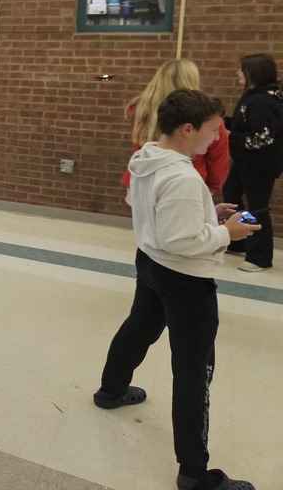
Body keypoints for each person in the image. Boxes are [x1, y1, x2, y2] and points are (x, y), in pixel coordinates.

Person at [93, 89, 259, 490]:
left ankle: (111, 390)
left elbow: (153, 212)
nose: (216, 139)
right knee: (193, 369)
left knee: (139, 326)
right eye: (212, 131)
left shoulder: (147, 157)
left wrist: (207, 213)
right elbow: (180, 240)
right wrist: (225, 232)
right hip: (185, 279)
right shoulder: (183, 175)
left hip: (151, 263)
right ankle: (194, 472)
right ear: (188, 129)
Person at [120, 58, 229, 193]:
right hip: (185, 183)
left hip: (142, 179)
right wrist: (212, 186)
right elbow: (218, 156)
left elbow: (138, 147)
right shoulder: (206, 117)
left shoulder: (142, 108)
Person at [222, 53, 283, 272]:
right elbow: (245, 125)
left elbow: (263, 137)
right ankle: (238, 239)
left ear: (253, 73)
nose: (238, 73)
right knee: (231, 193)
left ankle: (260, 256)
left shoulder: (263, 100)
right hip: (245, 161)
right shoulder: (252, 95)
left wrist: (230, 135)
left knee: (257, 207)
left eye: (241, 69)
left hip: (260, 164)